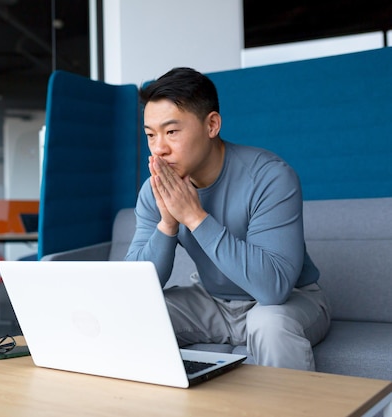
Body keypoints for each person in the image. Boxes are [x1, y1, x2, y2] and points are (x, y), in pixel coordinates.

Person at [125, 67, 330, 371]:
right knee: (132, 314)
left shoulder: (270, 177)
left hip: (287, 302)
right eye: (150, 135)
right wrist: (167, 224)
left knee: (269, 325)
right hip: (211, 301)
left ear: (212, 125)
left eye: (171, 132)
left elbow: (273, 289)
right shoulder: (156, 190)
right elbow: (133, 288)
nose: (159, 148)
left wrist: (194, 217)